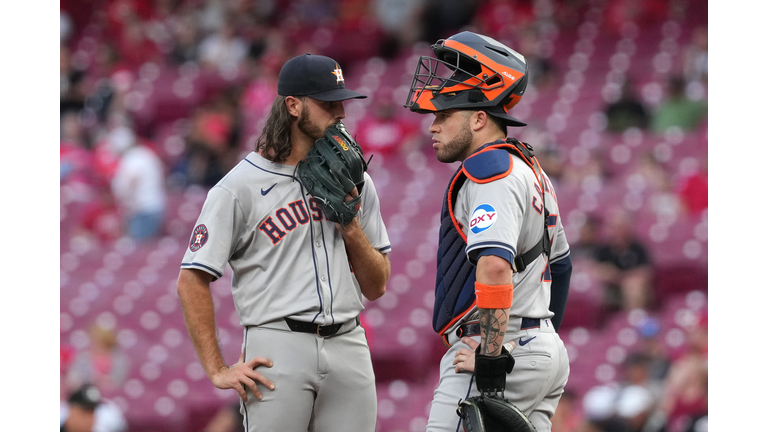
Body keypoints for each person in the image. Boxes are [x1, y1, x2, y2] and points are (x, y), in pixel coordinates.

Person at [177, 53, 392, 432]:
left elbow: (377, 286)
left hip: (349, 343)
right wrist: (218, 369)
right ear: (293, 105)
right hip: (278, 346)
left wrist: (351, 226)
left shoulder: (356, 181)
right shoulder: (238, 187)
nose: (340, 112)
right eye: (327, 103)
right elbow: (191, 279)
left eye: (341, 101)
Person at [403, 31, 572, 432]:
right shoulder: (532, 170)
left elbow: (494, 267)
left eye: (444, 115)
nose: (433, 126)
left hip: (499, 349)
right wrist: (539, 340)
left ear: (480, 118)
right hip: (540, 348)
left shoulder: (490, 172)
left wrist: (494, 358)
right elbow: (561, 267)